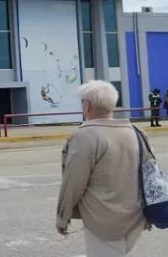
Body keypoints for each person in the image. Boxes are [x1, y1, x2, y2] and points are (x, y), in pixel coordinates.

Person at [56, 80, 151, 256]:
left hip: (103, 221)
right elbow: (149, 175)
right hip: (135, 217)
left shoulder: (84, 137)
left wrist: (62, 216)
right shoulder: (137, 132)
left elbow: (73, 182)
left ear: (88, 106)